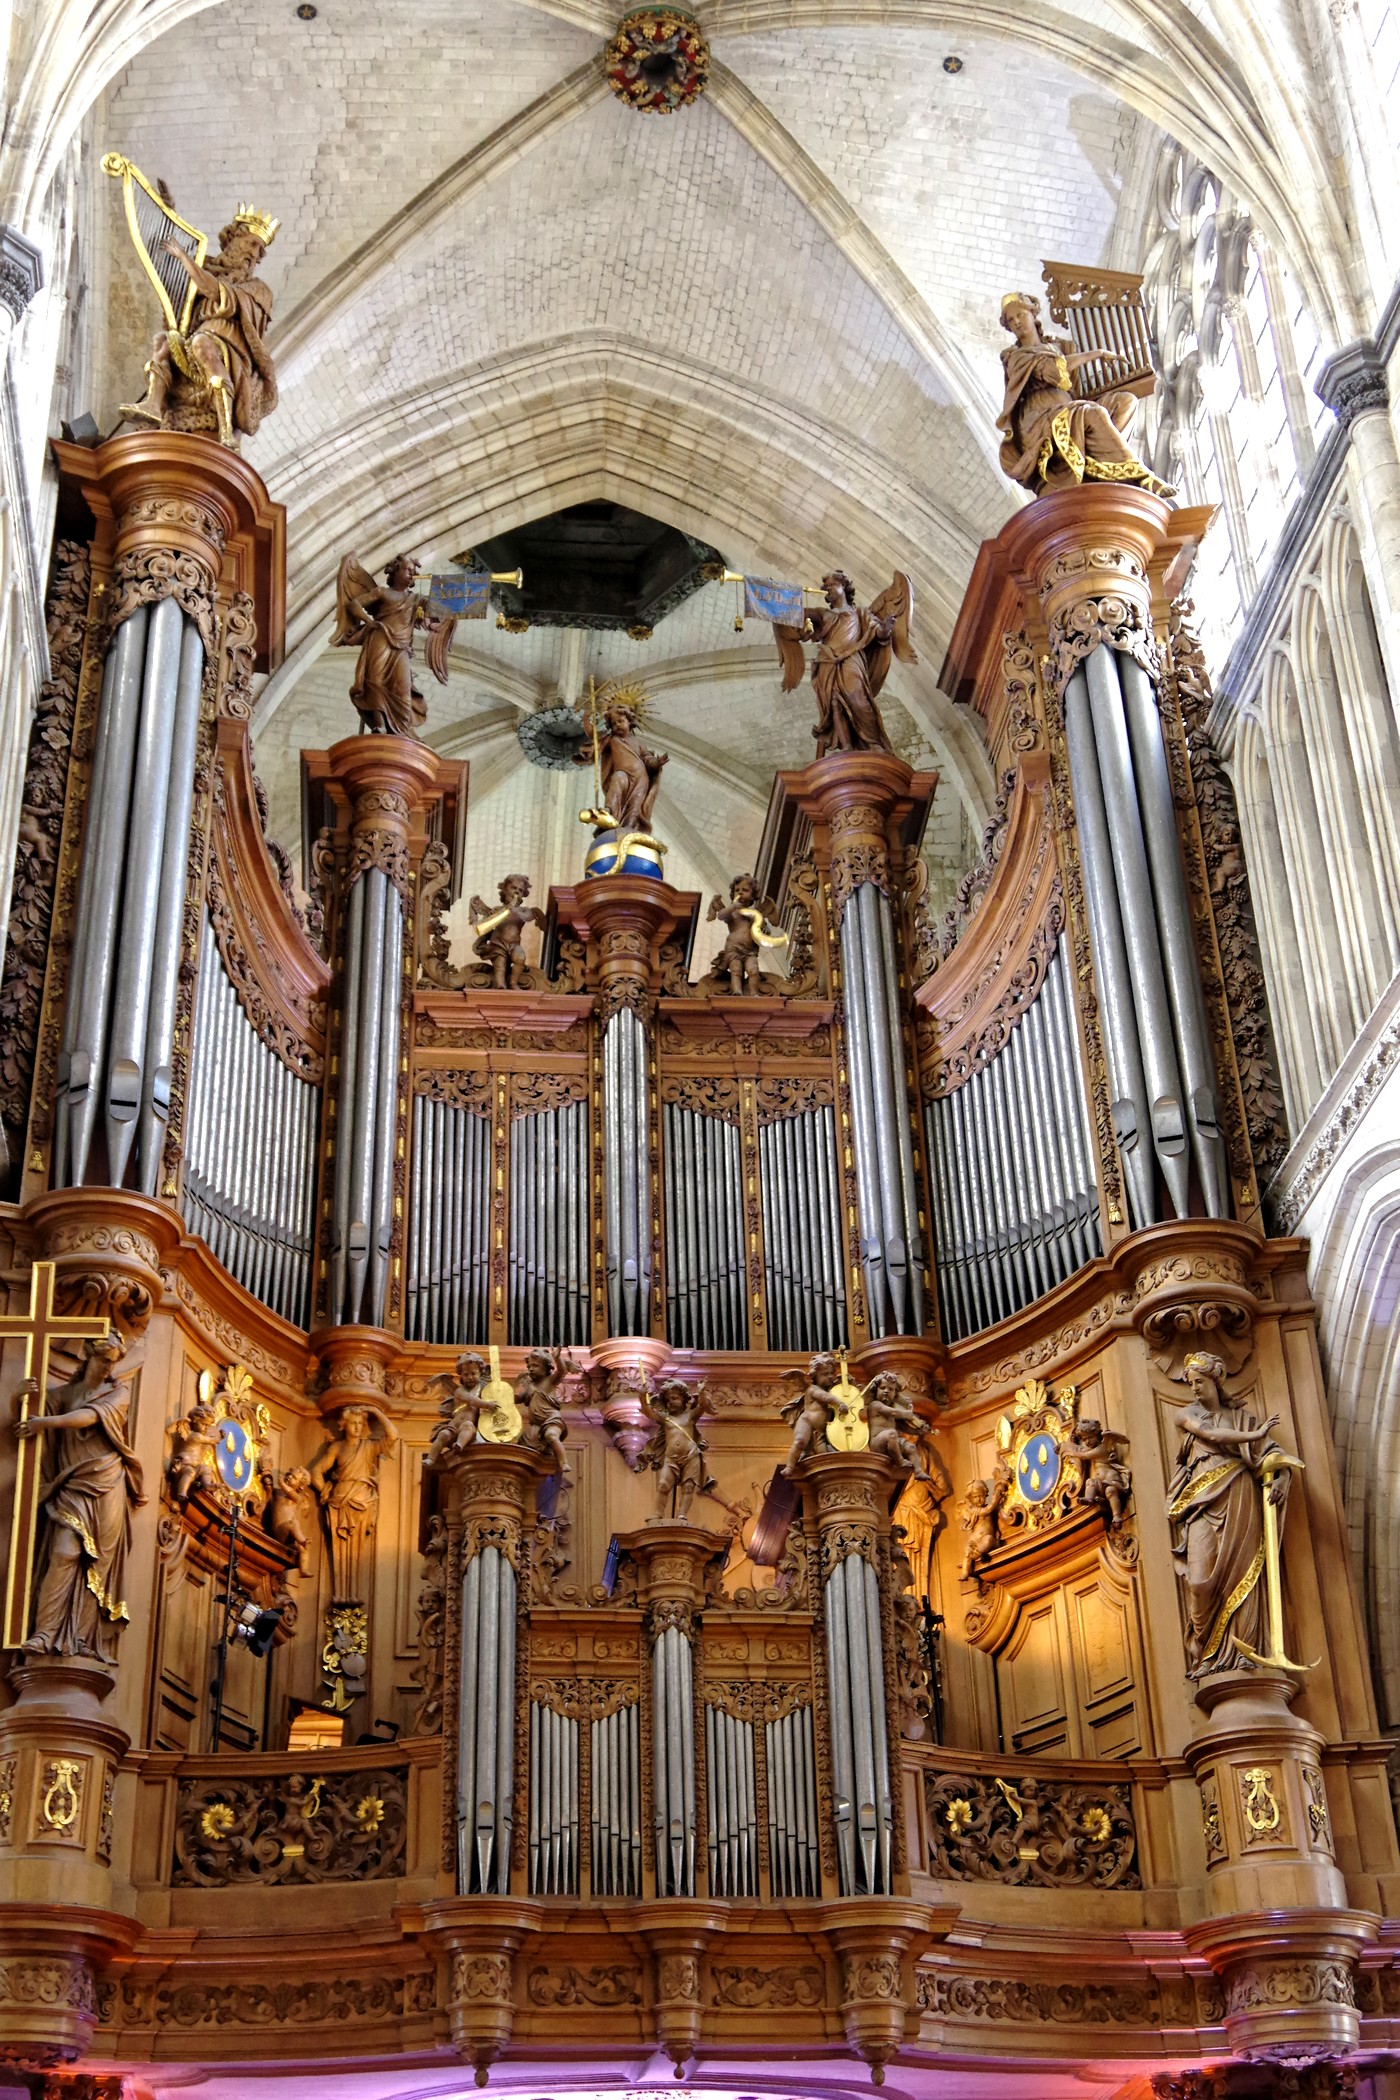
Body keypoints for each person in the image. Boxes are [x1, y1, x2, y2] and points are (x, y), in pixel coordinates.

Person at [16, 1333, 145, 1662]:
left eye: (112, 1362)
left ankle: (80, 1637)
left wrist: (46, 1422)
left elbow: (88, 1416)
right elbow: (29, 1421)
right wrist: (25, 1398)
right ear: (87, 1356)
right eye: (103, 1360)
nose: (107, 1368)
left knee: (96, 1565)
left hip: (107, 1480)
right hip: (73, 1483)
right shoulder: (62, 1395)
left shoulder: (119, 1392)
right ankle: (45, 1632)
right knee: (64, 1552)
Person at [1166, 1350, 1289, 1677]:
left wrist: (1283, 1479)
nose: (1193, 1388)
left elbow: (1273, 1456)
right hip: (1201, 1504)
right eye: (1190, 1382)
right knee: (1199, 1582)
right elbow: (1211, 1435)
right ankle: (1206, 1654)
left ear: (1215, 1381)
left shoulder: (1241, 1418)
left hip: (1239, 1495)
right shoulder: (1185, 1415)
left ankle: (1244, 1652)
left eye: (1199, 1381)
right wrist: (1254, 1435)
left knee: (1245, 1574)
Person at [996, 291, 1171, 498]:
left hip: (1070, 406)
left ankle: (1101, 468)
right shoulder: (1017, 357)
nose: (1016, 322)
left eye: (1020, 315)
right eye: (1011, 319)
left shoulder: (1060, 346)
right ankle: (1140, 476)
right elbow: (1053, 371)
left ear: (1033, 314)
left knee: (1126, 402)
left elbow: (1077, 385)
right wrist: (1097, 353)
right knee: (1091, 413)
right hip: (1040, 419)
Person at [127, 210, 279, 446]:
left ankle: (226, 429)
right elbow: (171, 280)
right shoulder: (204, 266)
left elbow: (216, 293)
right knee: (162, 341)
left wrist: (183, 258)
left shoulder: (257, 289)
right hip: (195, 338)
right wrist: (167, 221)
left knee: (202, 343)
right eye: (251, 244)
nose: (254, 254)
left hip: (231, 350)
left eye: (259, 251)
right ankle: (153, 404)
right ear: (233, 239)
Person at [773, 570, 914, 756]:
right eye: (827, 587)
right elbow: (794, 616)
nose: (829, 589)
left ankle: (874, 742)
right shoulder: (822, 614)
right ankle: (846, 746)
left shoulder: (859, 613)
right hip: (828, 661)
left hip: (851, 658)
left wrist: (886, 628)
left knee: (856, 695)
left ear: (844, 588)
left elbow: (877, 632)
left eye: (833, 585)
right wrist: (776, 596)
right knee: (834, 703)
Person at [332, 552, 455, 736]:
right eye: (407, 570)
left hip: (402, 648)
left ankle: (403, 731)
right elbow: (354, 605)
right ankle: (380, 725)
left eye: (413, 571)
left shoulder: (416, 600)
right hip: (380, 638)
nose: (411, 574)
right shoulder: (382, 592)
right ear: (395, 571)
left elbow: (439, 613)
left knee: (402, 687)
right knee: (375, 680)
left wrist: (449, 591)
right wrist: (369, 621)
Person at [308, 1403, 398, 1601]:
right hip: (339, 1502)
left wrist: (376, 1412)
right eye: (352, 1423)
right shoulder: (337, 1447)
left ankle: (351, 1594)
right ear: (343, 1425)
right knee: (340, 1554)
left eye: (360, 1423)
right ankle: (341, 1594)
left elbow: (392, 1436)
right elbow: (316, 1471)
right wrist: (325, 1490)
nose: (357, 1427)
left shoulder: (369, 1447)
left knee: (356, 1554)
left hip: (362, 1501)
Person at [576, 701, 667, 832]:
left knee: (634, 806)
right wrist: (586, 718)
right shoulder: (612, 739)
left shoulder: (638, 742)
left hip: (640, 780)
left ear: (629, 722)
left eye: (620, 721)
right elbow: (593, 735)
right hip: (623, 774)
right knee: (618, 779)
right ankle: (609, 811)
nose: (617, 725)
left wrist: (657, 762)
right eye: (614, 723)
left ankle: (630, 828)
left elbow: (647, 759)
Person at [641, 1379, 712, 1522]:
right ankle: (657, 1513)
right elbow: (648, 1412)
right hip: (670, 1458)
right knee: (663, 1485)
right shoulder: (666, 1419)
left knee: (688, 1487)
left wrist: (701, 1391)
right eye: (667, 1400)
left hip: (690, 1456)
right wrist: (642, 1397)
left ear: (684, 1399)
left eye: (674, 1398)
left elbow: (703, 1405)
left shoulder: (690, 1416)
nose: (670, 1402)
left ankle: (682, 1514)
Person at [706, 875, 787, 995]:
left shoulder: (756, 914)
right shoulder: (733, 912)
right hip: (733, 948)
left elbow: (766, 930)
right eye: (737, 890)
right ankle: (737, 991)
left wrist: (765, 931)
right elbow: (721, 915)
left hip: (750, 951)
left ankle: (754, 992)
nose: (740, 893)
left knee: (753, 970)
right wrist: (733, 906)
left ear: (753, 894)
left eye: (745, 890)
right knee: (736, 969)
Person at [469, 875, 547, 990]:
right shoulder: (496, 910)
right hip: (498, 944)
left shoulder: (523, 910)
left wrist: (513, 910)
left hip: (514, 944)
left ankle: (513, 983)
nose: (516, 892)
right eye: (513, 888)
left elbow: (528, 917)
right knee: (500, 966)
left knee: (520, 958)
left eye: (520, 890)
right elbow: (485, 924)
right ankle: (501, 986)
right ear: (504, 890)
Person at [779, 1352, 841, 1476]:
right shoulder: (813, 1389)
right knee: (800, 1441)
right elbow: (824, 1397)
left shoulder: (834, 1390)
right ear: (815, 1376)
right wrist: (840, 1403)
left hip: (821, 1432)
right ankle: (790, 1466)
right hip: (807, 1422)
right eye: (825, 1374)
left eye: (831, 1374)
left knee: (824, 1457)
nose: (830, 1377)